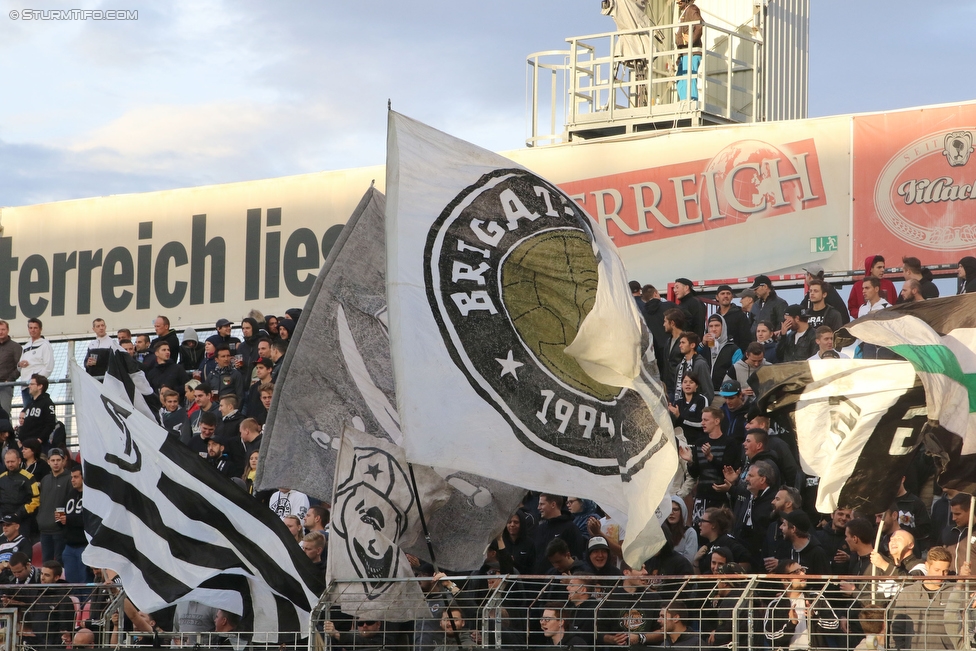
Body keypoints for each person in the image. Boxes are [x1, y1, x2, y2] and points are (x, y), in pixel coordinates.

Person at [890, 546, 955, 650]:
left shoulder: (955, 593)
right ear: (927, 566)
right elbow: (897, 629)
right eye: (937, 570)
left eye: (945, 571)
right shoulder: (908, 593)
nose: (941, 575)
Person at [531, 494, 586, 573]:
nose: (538, 508)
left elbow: (577, 557)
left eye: (542, 504)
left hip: (562, 581)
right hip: (539, 581)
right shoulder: (539, 529)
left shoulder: (570, 528)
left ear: (553, 504)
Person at [37, 447, 70, 563]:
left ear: (64, 461)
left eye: (58, 460)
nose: (56, 463)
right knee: (46, 563)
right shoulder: (45, 479)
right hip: (44, 529)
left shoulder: (70, 479)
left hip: (60, 530)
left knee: (60, 563)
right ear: (48, 462)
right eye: (53, 460)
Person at [58, 466, 91, 583]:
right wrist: (59, 520)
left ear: (83, 478)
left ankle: (86, 602)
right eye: (72, 477)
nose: (72, 480)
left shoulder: (91, 496)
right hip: (69, 546)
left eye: (76, 477)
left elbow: (89, 520)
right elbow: (64, 515)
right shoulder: (70, 494)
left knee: (84, 581)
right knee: (71, 582)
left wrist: (68, 520)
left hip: (84, 545)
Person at [17, 318, 54, 409]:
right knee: (28, 413)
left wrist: (37, 381)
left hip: (36, 387)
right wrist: (19, 365)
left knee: (38, 412)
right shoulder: (26, 346)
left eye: (35, 328)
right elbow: (19, 368)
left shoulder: (45, 345)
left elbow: (49, 367)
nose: (33, 330)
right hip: (25, 386)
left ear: (40, 329)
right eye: (31, 328)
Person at [780, 510, 830, 574]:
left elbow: (824, 581)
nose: (780, 527)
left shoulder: (818, 553)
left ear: (793, 529)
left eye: (784, 525)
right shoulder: (788, 549)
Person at [672, 330, 713, 404]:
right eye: (680, 343)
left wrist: (700, 408)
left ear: (692, 345)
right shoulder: (679, 366)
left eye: (683, 343)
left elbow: (708, 392)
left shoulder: (701, 364)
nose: (680, 345)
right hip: (682, 409)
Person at [701, 314, 739, 392]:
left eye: (717, 325)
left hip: (724, 394)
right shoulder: (703, 347)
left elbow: (738, 371)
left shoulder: (733, 348)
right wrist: (702, 344)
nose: (713, 329)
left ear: (723, 327)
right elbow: (692, 358)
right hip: (704, 394)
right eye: (711, 326)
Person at [674, 0, 702, 102]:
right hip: (683, 52)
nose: (677, 2)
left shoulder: (692, 9)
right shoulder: (684, 12)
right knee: (680, 78)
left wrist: (691, 38)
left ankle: (692, 101)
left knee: (689, 76)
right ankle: (684, 100)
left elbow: (699, 25)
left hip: (691, 51)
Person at [17, 374, 56, 445]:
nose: (29, 386)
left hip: (38, 447)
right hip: (26, 445)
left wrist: (39, 440)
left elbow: (50, 424)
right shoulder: (30, 405)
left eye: (32, 384)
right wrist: (20, 439)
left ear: (40, 386)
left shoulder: (47, 403)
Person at [714, 284, 753, 353]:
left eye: (728, 293)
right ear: (717, 297)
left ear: (732, 297)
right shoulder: (714, 317)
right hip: (717, 356)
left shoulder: (740, 315)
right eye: (722, 293)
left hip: (736, 356)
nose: (725, 296)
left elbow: (746, 339)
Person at [665, 497, 697, 564]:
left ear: (682, 511)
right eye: (669, 509)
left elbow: (688, 561)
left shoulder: (690, 533)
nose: (671, 513)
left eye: (675, 509)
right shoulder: (661, 532)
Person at [0, 321, 21, 416]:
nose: (1, 332)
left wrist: (10, 380)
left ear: (8, 330)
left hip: (6, 385)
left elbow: (19, 367)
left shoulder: (15, 347)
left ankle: (7, 431)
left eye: (3, 329)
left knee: (4, 412)